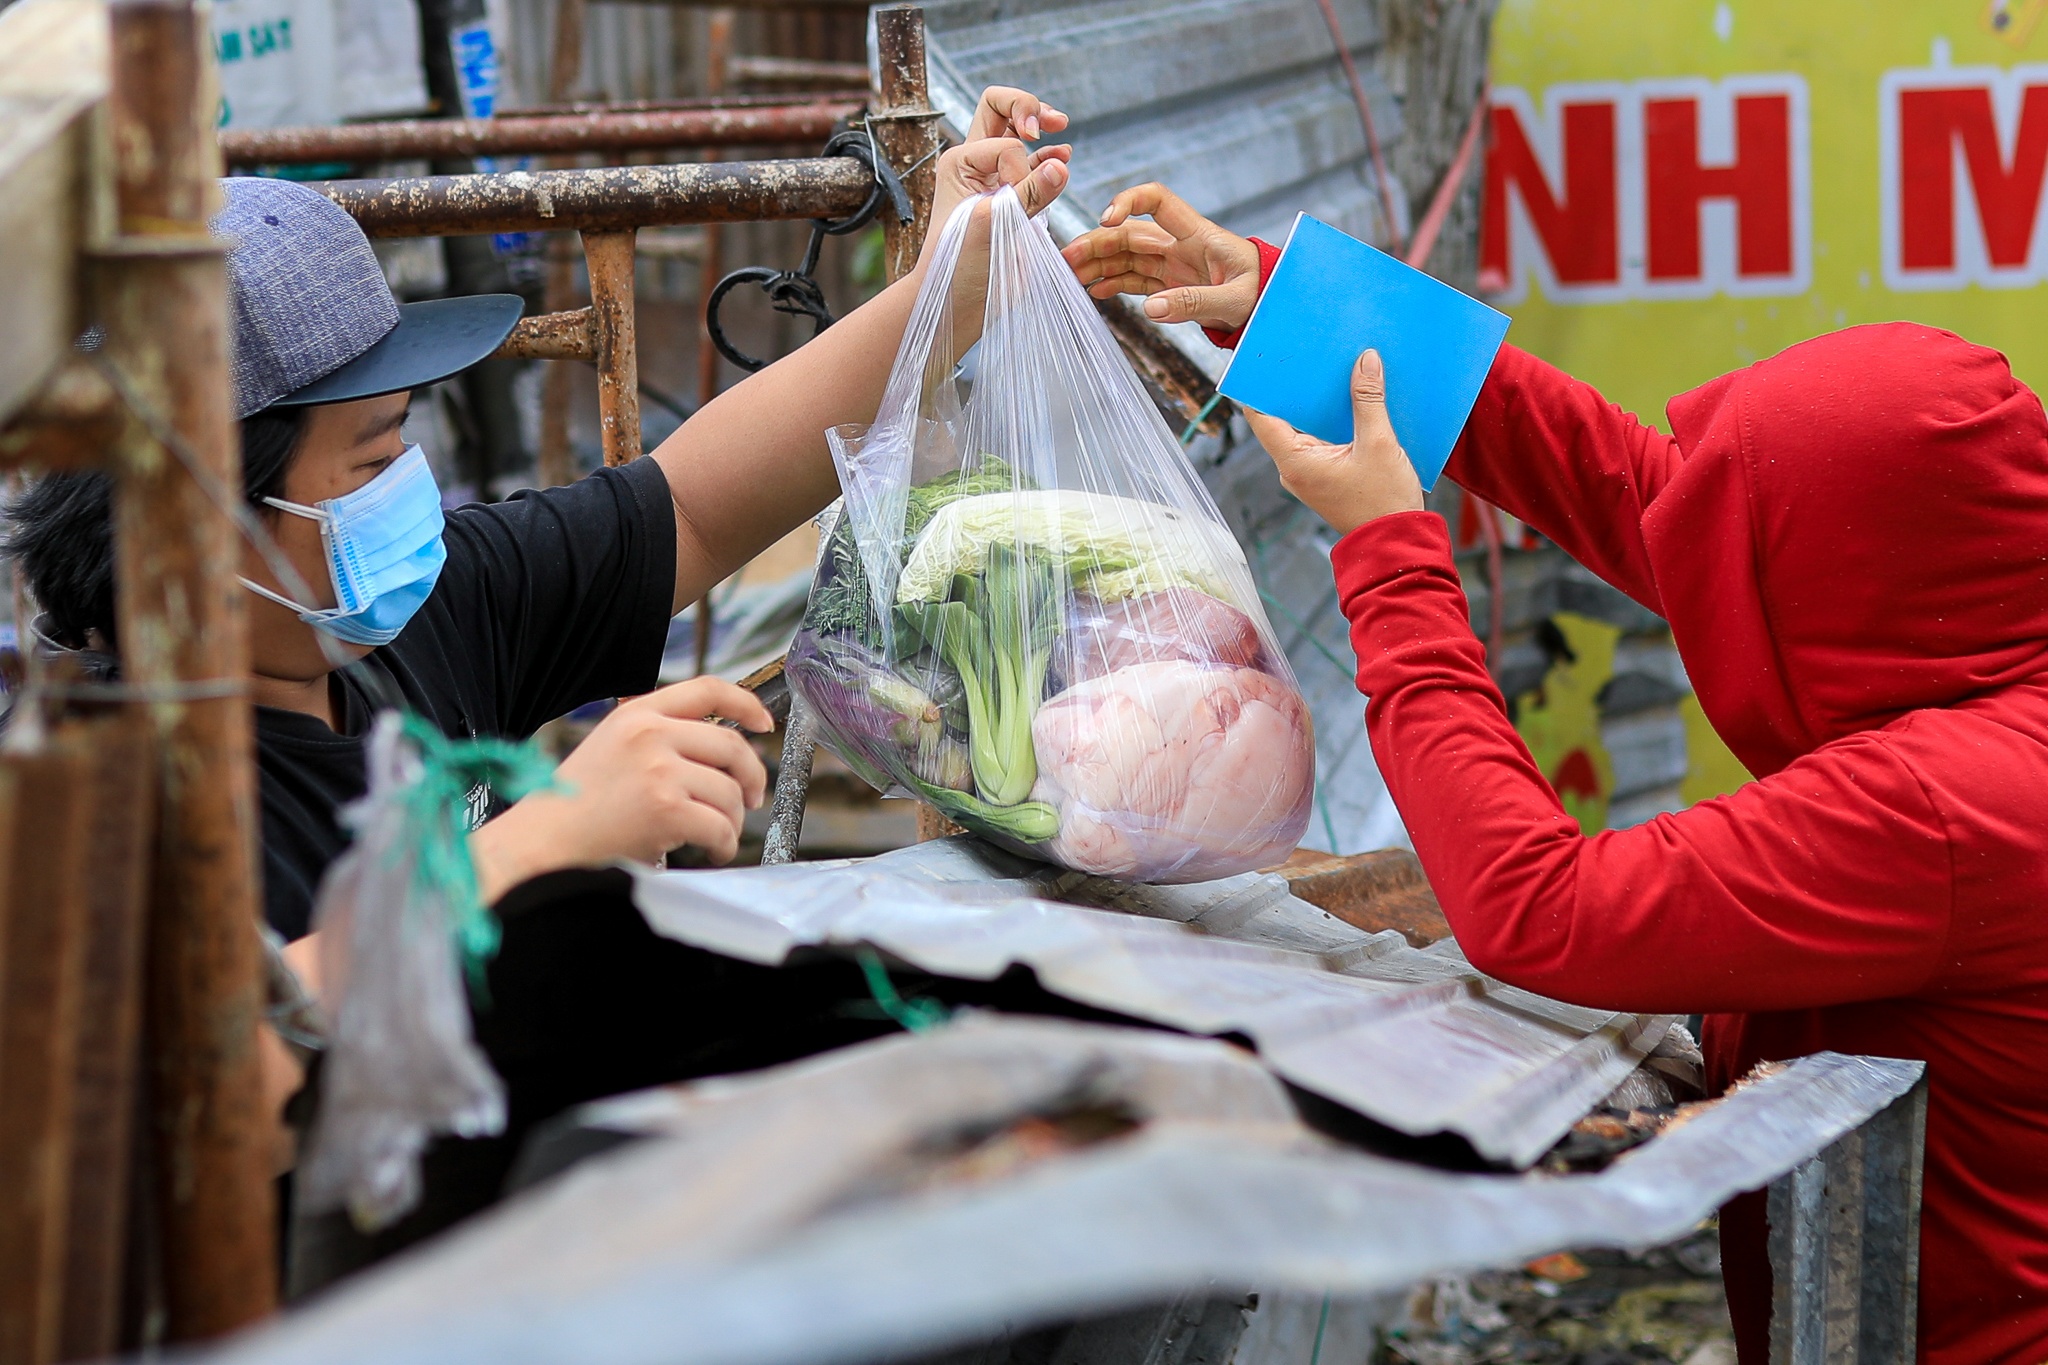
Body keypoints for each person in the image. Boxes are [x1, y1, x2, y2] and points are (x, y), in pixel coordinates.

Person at [5, 87, 1071, 1277]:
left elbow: (696, 503)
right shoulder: (89, 789)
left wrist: (950, 292)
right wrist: (524, 849)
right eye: (367, 460)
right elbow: (185, 1092)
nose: (407, 488)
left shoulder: (396, 628)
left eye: (409, 437)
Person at [1066, 185, 2048, 1363]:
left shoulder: (1951, 803)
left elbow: (1539, 909)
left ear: (1852, 589)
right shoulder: (1985, 620)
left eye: (1745, 543)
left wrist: (1388, 558)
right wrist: (1294, 309)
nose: (1686, 532)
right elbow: (1647, 496)